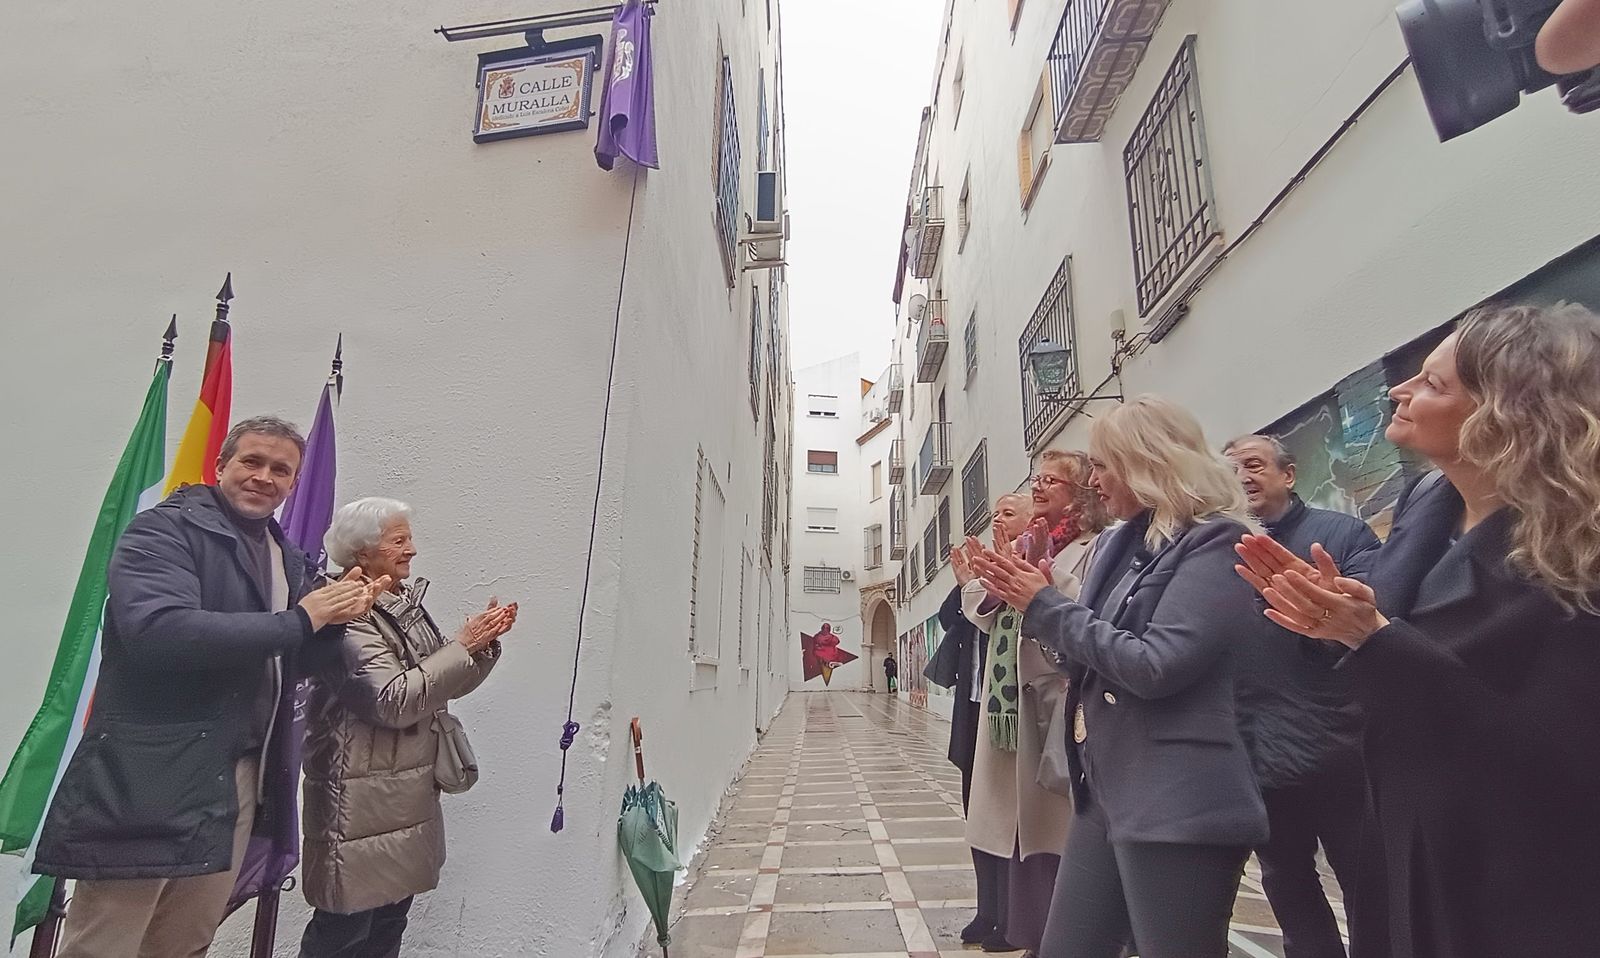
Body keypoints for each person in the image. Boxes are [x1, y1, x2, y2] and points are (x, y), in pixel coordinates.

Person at [1235, 302, 1600, 957]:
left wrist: (1372, 638)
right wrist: (1337, 616)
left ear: (1503, 414)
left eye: (1433, 385)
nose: (1400, 391)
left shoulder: (1577, 539)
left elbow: (1550, 743)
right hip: (1410, 832)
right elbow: (1403, 626)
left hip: (1527, 870)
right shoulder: (1428, 501)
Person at [33, 417, 382, 958]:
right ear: (220, 466)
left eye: (281, 469)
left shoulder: (281, 552)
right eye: (252, 461)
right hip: (147, 781)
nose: (265, 477)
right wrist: (301, 620)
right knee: (106, 945)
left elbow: (294, 655)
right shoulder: (161, 532)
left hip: (236, 779)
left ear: (294, 484)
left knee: (185, 943)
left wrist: (337, 616)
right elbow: (159, 632)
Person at [971, 396, 1268, 958]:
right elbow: (1088, 659)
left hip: (1177, 802)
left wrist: (1044, 606)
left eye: (1104, 466)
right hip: (1104, 791)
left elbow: (1154, 666)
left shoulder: (1217, 542)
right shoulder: (1119, 543)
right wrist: (1035, 606)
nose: (1094, 481)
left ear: (1146, 463)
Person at [299, 497, 517, 958]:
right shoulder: (348, 613)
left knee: (387, 927)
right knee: (344, 935)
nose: (412, 550)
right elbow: (393, 701)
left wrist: (480, 646)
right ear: (362, 553)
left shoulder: (398, 605)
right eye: (399, 540)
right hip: (358, 801)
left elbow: (438, 686)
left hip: (404, 795)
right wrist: (461, 645)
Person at [1224, 434, 1381, 958]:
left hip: (1341, 745)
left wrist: (1318, 601)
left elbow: (1376, 612)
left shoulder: (1341, 534)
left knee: (1366, 882)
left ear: (1287, 475)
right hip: (1258, 749)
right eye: (1232, 470)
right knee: (1286, 882)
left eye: (1253, 465)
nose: (1243, 477)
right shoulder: (1220, 550)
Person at [955, 451, 1112, 957]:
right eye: (1036, 479)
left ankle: (1070, 938)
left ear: (1082, 492)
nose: (1039, 486)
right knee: (1024, 832)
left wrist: (1040, 586)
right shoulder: (1026, 545)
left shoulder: (1094, 545)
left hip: (1060, 702)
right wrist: (987, 580)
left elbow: (1089, 610)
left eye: (1052, 480)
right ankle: (1033, 936)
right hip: (1011, 709)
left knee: (1062, 831)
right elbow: (987, 613)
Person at [939, 492, 1032, 946]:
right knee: (979, 818)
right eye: (994, 512)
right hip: (975, 710)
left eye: (1008, 512)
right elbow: (948, 618)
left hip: (1013, 713)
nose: (998, 518)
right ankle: (986, 911)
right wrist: (967, 585)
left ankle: (1014, 919)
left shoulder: (1036, 565)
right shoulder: (986, 569)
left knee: (1012, 824)